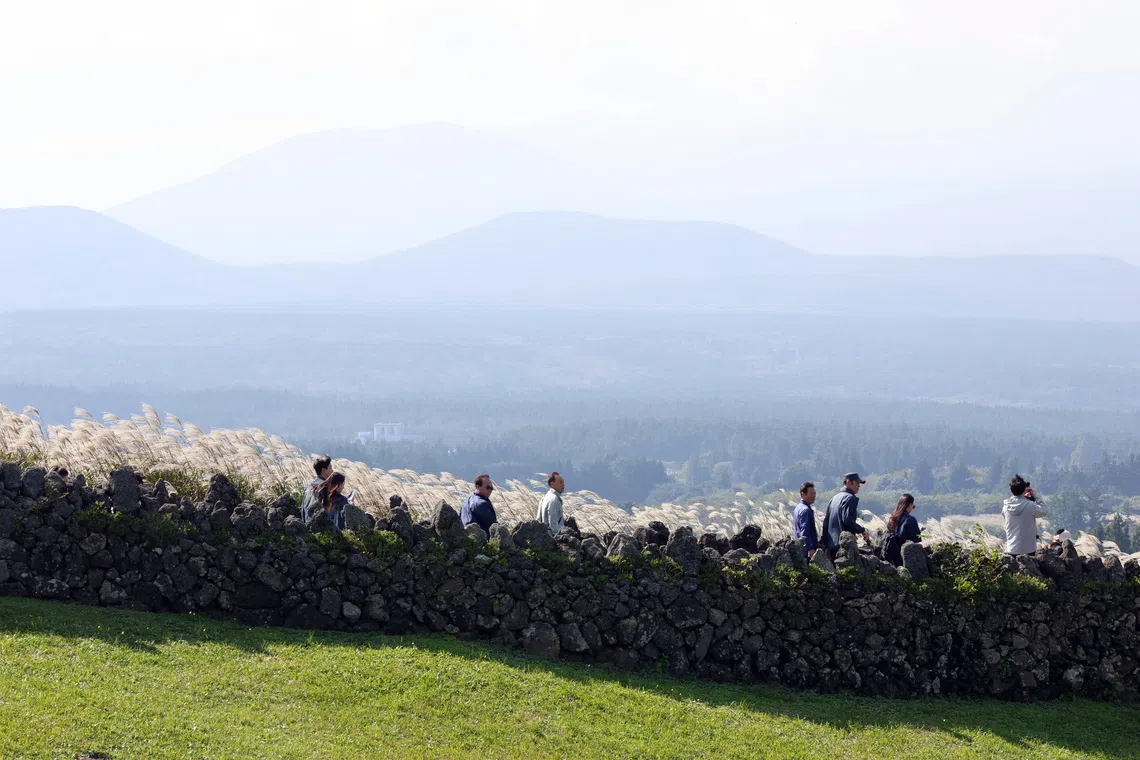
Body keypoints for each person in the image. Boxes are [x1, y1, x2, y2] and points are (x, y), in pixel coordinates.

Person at [822, 472, 872, 559]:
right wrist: (862, 530)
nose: (859, 486)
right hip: (844, 545)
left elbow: (826, 522)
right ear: (849, 482)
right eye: (857, 483)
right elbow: (848, 521)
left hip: (831, 545)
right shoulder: (850, 498)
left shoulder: (834, 498)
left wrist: (826, 545)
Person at [1003, 474, 1046, 555]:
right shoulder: (1030, 505)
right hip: (1028, 549)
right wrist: (1036, 496)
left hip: (1011, 549)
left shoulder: (1005, 506)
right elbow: (1043, 511)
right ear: (1025, 490)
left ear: (1011, 491)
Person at [884, 493, 921, 566]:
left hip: (891, 554)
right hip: (905, 556)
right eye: (913, 506)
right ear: (909, 505)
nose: (912, 508)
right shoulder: (911, 519)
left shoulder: (892, 518)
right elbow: (916, 539)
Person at [792, 481, 820, 559]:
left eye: (814, 493)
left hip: (799, 548)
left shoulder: (798, 508)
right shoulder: (805, 510)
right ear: (803, 494)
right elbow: (805, 532)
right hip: (806, 551)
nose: (814, 496)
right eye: (811, 494)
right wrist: (810, 548)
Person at [301, 455, 332, 522]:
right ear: (324, 470)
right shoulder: (324, 487)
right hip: (318, 528)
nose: (332, 471)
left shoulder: (309, 486)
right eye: (330, 468)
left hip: (305, 526)